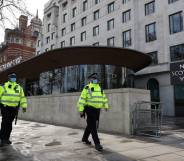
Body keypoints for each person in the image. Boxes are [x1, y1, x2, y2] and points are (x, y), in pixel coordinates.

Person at [77, 73, 109, 151]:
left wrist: (106, 106)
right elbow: (82, 99)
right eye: (93, 78)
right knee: (93, 127)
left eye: (96, 78)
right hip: (89, 109)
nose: (95, 80)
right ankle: (97, 144)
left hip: (97, 110)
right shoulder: (87, 88)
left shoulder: (100, 88)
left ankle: (84, 138)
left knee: (90, 126)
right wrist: (81, 110)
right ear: (91, 79)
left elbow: (103, 98)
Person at [0, 73, 27, 147]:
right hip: (5, 107)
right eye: (12, 77)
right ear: (8, 78)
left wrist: (24, 106)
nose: (13, 78)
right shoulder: (3, 86)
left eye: (14, 77)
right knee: (5, 122)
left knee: (9, 123)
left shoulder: (19, 88)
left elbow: (22, 98)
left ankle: (7, 138)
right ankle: (2, 139)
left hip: (14, 108)